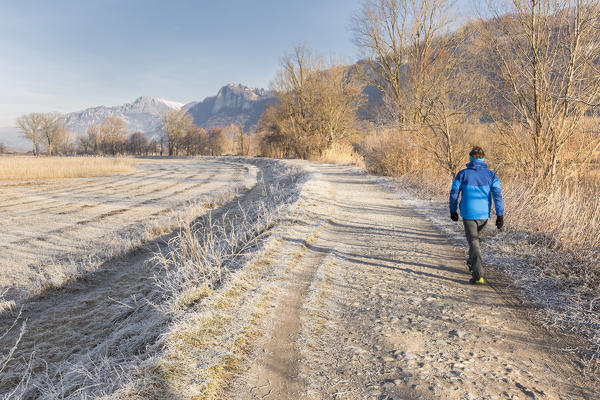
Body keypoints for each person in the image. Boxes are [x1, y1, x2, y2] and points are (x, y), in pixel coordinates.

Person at [449, 146, 504, 284]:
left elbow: (454, 192)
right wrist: (500, 214)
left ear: (470, 158)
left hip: (468, 214)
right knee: (475, 242)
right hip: (484, 215)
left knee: (474, 242)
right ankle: (472, 264)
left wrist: (453, 210)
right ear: (483, 158)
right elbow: (497, 195)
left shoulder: (462, 174)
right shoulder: (491, 175)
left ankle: (478, 275)